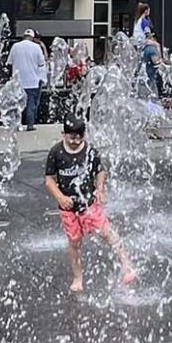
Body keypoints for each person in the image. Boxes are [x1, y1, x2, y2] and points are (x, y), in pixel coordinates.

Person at [43, 119, 136, 294]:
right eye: (71, 138)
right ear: (63, 134)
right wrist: (60, 197)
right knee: (74, 242)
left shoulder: (89, 151)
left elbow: (100, 171)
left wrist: (100, 189)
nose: (75, 141)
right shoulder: (56, 152)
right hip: (68, 208)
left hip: (89, 204)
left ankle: (127, 265)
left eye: (79, 138)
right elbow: (49, 180)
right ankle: (78, 277)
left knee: (107, 232)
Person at [11, 28, 48, 133]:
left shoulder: (15, 46)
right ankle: (30, 125)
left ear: (23, 36)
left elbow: (10, 62)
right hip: (32, 81)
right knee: (31, 104)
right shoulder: (36, 47)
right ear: (32, 37)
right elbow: (41, 63)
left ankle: (17, 125)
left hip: (18, 81)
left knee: (17, 104)